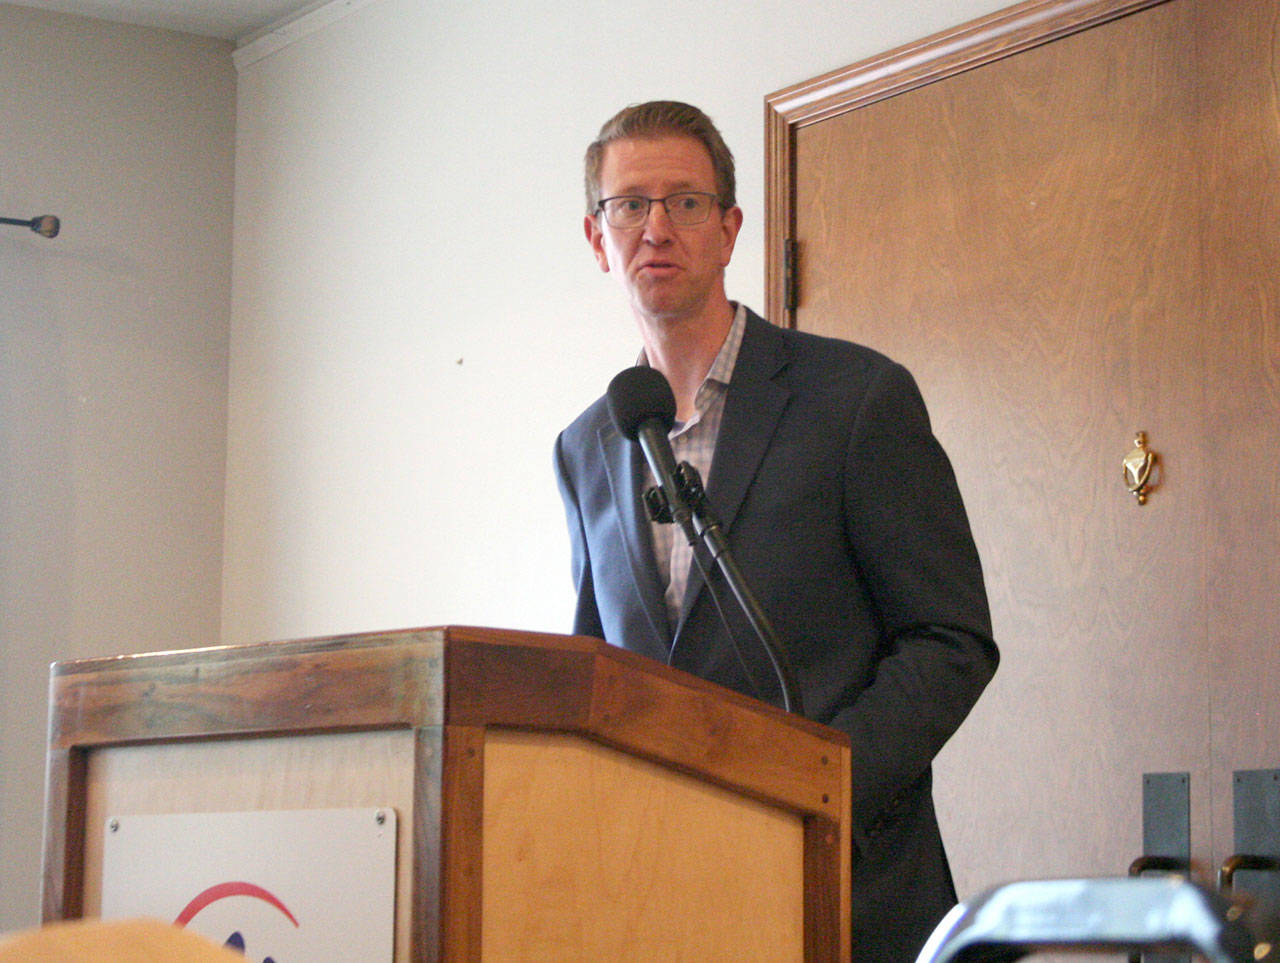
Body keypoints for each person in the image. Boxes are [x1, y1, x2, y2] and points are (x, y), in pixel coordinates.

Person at [553, 100, 998, 962]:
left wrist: (820, 788)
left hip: (848, 890)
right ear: (596, 238)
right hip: (665, 899)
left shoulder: (855, 399)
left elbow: (951, 639)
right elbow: (595, 668)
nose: (655, 228)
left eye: (684, 202)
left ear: (729, 229)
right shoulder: (588, 447)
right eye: (629, 205)